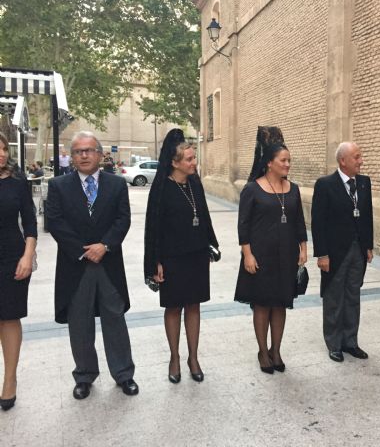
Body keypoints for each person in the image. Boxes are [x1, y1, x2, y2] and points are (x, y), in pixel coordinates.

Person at [46, 131, 138, 400]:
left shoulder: (117, 184)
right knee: (79, 321)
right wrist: (83, 251)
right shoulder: (58, 186)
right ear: (72, 157)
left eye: (88, 150)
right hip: (75, 266)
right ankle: (84, 375)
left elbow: (123, 219)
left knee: (115, 318)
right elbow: (55, 222)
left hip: (108, 263)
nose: (83, 155)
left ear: (99, 154)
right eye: (77, 151)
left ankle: (124, 374)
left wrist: (105, 245)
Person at [144, 129, 219, 384]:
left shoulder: (195, 183)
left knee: (194, 306)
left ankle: (193, 358)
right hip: (172, 258)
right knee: (174, 307)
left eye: (193, 158)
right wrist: (155, 261)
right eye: (188, 159)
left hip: (196, 255)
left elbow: (205, 216)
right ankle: (174, 357)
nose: (193, 163)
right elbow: (152, 228)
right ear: (174, 162)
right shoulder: (163, 188)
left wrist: (211, 244)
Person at [234, 127, 307, 374]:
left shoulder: (294, 189)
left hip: (286, 255)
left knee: (280, 304)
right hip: (261, 256)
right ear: (269, 164)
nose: (288, 164)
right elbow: (243, 224)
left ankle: (276, 350)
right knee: (262, 304)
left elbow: (299, 221)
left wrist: (303, 248)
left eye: (289, 160)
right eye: (283, 160)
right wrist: (247, 254)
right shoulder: (252, 189)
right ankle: (263, 351)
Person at [311, 142, 374, 363]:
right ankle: (334, 343)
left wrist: (368, 245)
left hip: (358, 250)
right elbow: (318, 223)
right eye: (356, 157)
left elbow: (367, 216)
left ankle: (350, 341)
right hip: (335, 253)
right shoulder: (325, 185)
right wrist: (322, 254)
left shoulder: (364, 183)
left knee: (353, 296)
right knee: (334, 298)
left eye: (360, 156)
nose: (361, 161)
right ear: (343, 161)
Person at [0, 133, 37, 411]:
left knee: (9, 317)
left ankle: (10, 380)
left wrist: (28, 255)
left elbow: (31, 222)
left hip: (12, 257)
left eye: (3, 148)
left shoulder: (17, 183)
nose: (1, 153)